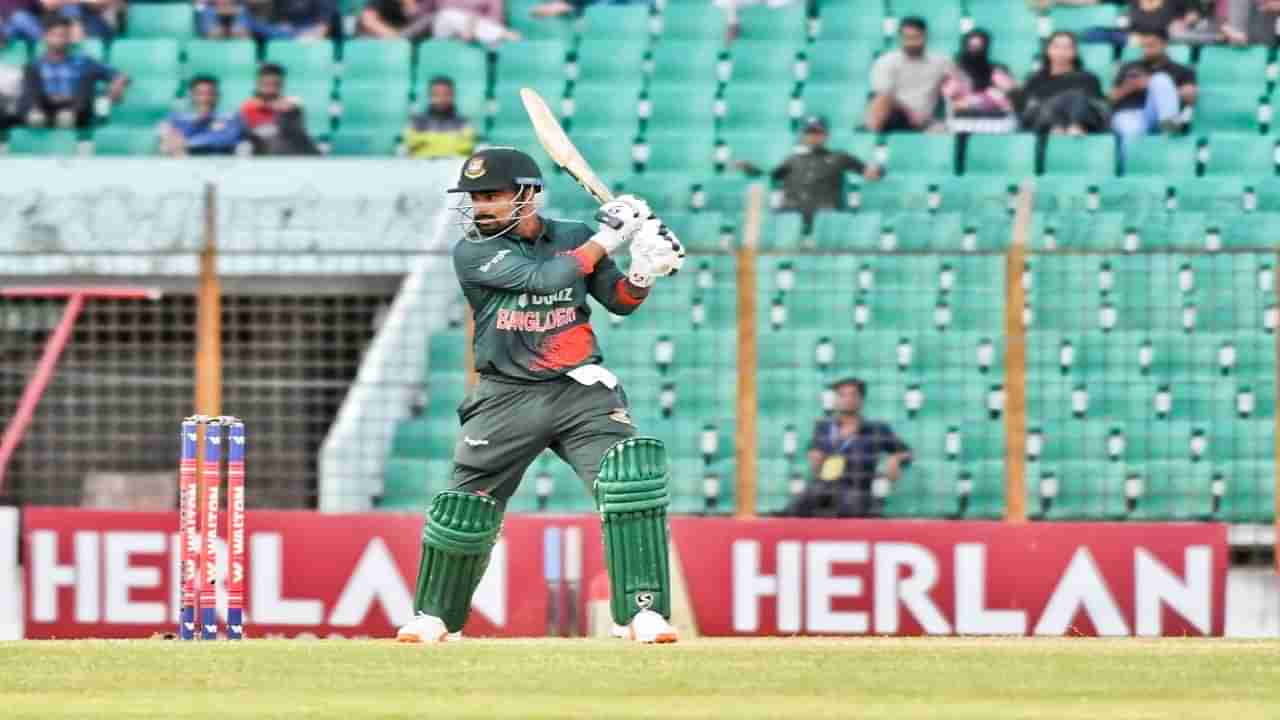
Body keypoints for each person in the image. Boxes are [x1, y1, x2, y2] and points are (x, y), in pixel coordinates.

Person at [395, 147, 687, 645]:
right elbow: (544, 278)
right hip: (505, 394)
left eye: (492, 195)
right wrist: (611, 235)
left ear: (527, 196)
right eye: (475, 197)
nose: (481, 207)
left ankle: (643, 613)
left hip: (580, 389)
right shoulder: (473, 252)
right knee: (466, 505)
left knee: (629, 481)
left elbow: (620, 301)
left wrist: (643, 269)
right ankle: (435, 617)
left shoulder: (573, 236)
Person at [781, 377, 912, 519]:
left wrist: (896, 458)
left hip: (855, 487)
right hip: (824, 484)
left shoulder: (876, 429)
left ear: (861, 400)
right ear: (836, 400)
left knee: (850, 506)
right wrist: (815, 458)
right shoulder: (824, 427)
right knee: (798, 504)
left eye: (852, 395)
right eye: (842, 395)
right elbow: (814, 455)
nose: (847, 399)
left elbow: (906, 452)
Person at [736, 115, 882, 228]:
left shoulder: (840, 157)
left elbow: (870, 173)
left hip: (826, 217)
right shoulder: (793, 160)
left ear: (826, 135)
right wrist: (750, 169)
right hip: (792, 215)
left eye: (818, 132)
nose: (814, 136)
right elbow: (769, 176)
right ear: (804, 136)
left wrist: (877, 171)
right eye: (810, 132)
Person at [16, 15, 127, 128]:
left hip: (74, 107)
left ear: (69, 38)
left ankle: (70, 115)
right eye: (54, 35)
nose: (59, 39)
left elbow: (119, 74)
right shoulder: (35, 65)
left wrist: (117, 84)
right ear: (45, 37)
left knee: (86, 75)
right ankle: (35, 115)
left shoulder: (84, 61)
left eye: (63, 36)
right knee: (29, 75)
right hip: (45, 108)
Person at [1109, 28, 1196, 163]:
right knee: (1132, 129)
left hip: (1159, 115)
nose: (1147, 50)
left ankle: (1170, 126)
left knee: (1160, 79)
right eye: (1144, 46)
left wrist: (1152, 86)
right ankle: (1132, 172)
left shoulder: (1180, 69)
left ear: (1164, 44)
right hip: (1130, 113)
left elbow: (1191, 95)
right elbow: (1111, 98)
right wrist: (1129, 87)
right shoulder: (1129, 67)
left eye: (1152, 45)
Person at [865, 16, 951, 133]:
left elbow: (962, 85)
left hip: (925, 118)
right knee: (880, 101)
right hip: (894, 114)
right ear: (900, 38)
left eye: (916, 37)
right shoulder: (886, 61)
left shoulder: (941, 62)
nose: (911, 42)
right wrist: (910, 113)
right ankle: (872, 139)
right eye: (907, 38)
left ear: (925, 37)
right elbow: (884, 96)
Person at [1016, 31, 1108, 135]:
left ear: (1075, 52)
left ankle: (1072, 131)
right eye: (1057, 47)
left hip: (1079, 125)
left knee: (1076, 98)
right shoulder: (1035, 79)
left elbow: (1098, 109)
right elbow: (1028, 111)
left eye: (1067, 47)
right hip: (1044, 125)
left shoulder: (1088, 78)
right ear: (1048, 50)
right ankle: (1059, 133)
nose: (1061, 52)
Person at [942, 28, 1017, 133]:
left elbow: (1009, 100)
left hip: (996, 123)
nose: (975, 51)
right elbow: (953, 102)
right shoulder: (955, 72)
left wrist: (979, 100)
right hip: (962, 122)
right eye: (971, 47)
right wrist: (984, 99)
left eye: (979, 47)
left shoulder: (997, 70)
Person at [238, 63, 318, 155]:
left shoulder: (292, 109)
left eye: (276, 84)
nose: (271, 89)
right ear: (258, 84)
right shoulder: (247, 108)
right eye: (267, 84)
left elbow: (298, 133)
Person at [159, 75, 244, 156]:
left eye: (210, 93)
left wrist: (188, 143)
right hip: (185, 161)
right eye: (200, 94)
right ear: (192, 96)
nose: (205, 99)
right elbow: (167, 140)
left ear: (218, 96)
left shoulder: (230, 118)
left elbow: (229, 138)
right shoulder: (177, 118)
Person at [361, 0, 517, 43]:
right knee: (446, 16)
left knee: (446, 18)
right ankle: (501, 34)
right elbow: (367, 20)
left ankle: (499, 34)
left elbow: (494, 20)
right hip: (403, 37)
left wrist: (472, 22)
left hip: (444, 37)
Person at [403, 75, 475, 158]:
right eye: (436, 94)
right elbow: (409, 143)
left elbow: (467, 146)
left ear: (453, 95)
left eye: (446, 94)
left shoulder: (463, 122)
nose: (442, 98)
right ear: (429, 96)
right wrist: (451, 141)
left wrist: (427, 141)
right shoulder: (417, 122)